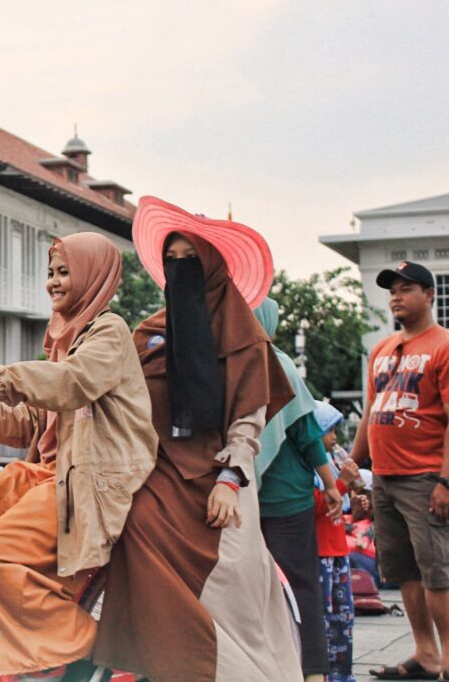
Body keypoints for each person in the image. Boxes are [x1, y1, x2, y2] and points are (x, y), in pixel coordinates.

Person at [0, 231, 158, 681]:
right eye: (50, 273)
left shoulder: (109, 332)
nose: (53, 282)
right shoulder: (60, 342)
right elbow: (29, 425)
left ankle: (92, 648)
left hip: (89, 478)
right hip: (45, 474)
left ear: (93, 277)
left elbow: (74, 382)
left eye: (65, 272)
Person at [89, 198, 301, 681]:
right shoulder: (149, 333)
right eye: (172, 260)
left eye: (191, 259)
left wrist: (229, 481)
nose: (181, 269)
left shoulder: (244, 337)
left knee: (232, 577)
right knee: (132, 526)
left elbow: (248, 424)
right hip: (160, 473)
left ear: (212, 266)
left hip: (221, 479)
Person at [348, 261, 449, 680]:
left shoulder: (443, 345)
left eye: (407, 289)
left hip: (425, 476)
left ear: (429, 295)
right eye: (392, 290)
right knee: (402, 570)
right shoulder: (382, 349)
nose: (396, 296)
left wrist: (445, 480)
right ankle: (425, 653)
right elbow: (371, 412)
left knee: (437, 570)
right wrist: (353, 468)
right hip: (385, 478)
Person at [253, 297, 343, 681]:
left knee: (257, 590)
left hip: (245, 497)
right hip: (289, 501)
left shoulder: (232, 363)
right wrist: (330, 483)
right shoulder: (282, 362)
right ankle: (313, 673)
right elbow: (307, 434)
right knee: (301, 588)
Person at [312, 400, 360, 682]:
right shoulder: (313, 470)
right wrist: (341, 483)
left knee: (343, 619)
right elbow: (315, 506)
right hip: (320, 553)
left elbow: (335, 508)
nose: (335, 438)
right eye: (330, 431)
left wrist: (355, 503)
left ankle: (343, 674)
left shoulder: (331, 464)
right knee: (324, 619)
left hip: (338, 551)